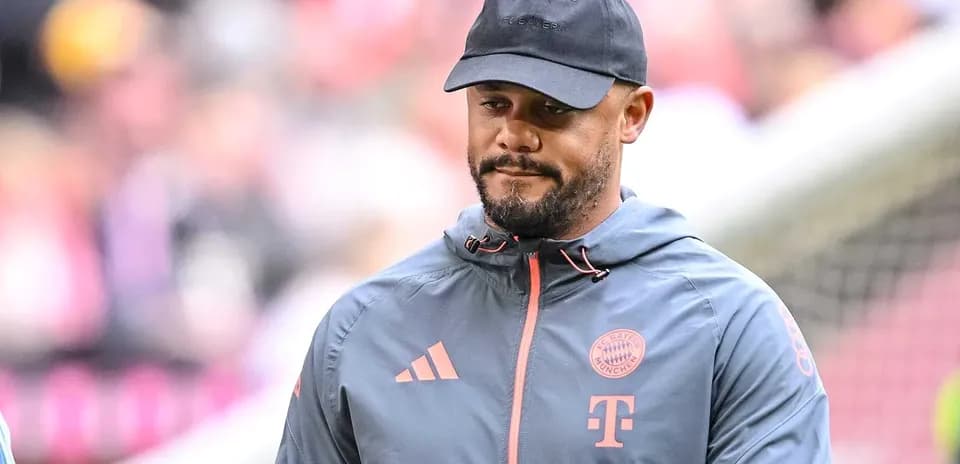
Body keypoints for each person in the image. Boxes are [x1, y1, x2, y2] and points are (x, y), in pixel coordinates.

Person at [276, 0, 831, 462]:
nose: (513, 134)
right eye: (493, 102)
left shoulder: (730, 324)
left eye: (550, 109)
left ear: (633, 115)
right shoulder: (363, 329)